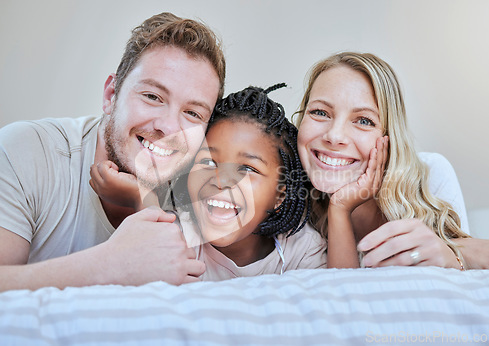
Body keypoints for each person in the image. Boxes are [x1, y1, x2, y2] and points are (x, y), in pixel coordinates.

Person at [0, 12, 226, 291]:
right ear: (111, 95)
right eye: (152, 97)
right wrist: (108, 265)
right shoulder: (28, 151)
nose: (168, 128)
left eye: (192, 113)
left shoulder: (204, 200)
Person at [90, 85, 327, 281]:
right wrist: (140, 198)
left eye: (247, 168)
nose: (222, 180)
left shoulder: (303, 250)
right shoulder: (179, 236)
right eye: (209, 162)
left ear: (279, 195)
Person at [295, 52, 482, 269]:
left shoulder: (430, 174)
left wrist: (455, 259)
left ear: (390, 136)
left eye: (364, 120)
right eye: (320, 112)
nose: (334, 136)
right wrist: (340, 208)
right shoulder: (287, 204)